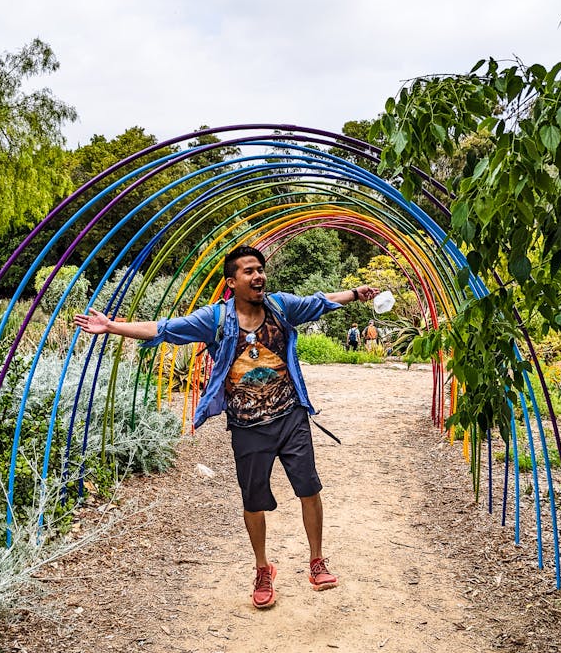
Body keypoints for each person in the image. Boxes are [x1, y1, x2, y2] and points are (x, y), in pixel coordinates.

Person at [74, 246, 380, 610]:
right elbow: (165, 329)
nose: (258, 276)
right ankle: (263, 569)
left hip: (290, 416)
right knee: (253, 499)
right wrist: (111, 326)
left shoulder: (281, 307)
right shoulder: (215, 319)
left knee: (309, 486)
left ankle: (316, 562)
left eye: (260, 270)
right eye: (249, 271)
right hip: (248, 426)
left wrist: (354, 294)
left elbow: (318, 301)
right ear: (232, 282)